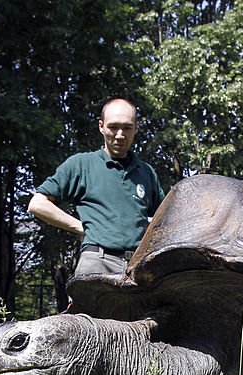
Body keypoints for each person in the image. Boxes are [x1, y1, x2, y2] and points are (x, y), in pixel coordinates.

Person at [28, 98, 164, 276]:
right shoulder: (81, 165)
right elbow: (37, 204)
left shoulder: (146, 172)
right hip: (97, 263)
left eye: (127, 127)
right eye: (113, 127)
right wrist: (80, 226)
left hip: (138, 268)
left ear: (136, 128)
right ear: (101, 126)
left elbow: (165, 217)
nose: (120, 135)